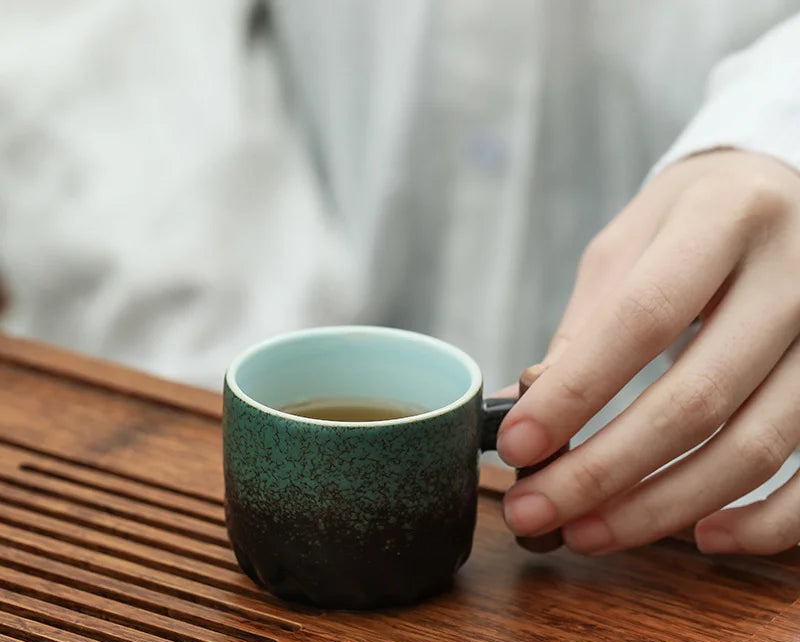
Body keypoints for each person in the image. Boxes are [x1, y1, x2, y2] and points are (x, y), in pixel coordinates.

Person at [0, 0, 798, 557]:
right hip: (158, 460)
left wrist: (778, 133)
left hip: (730, 535)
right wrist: (256, 426)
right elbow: (106, 63)